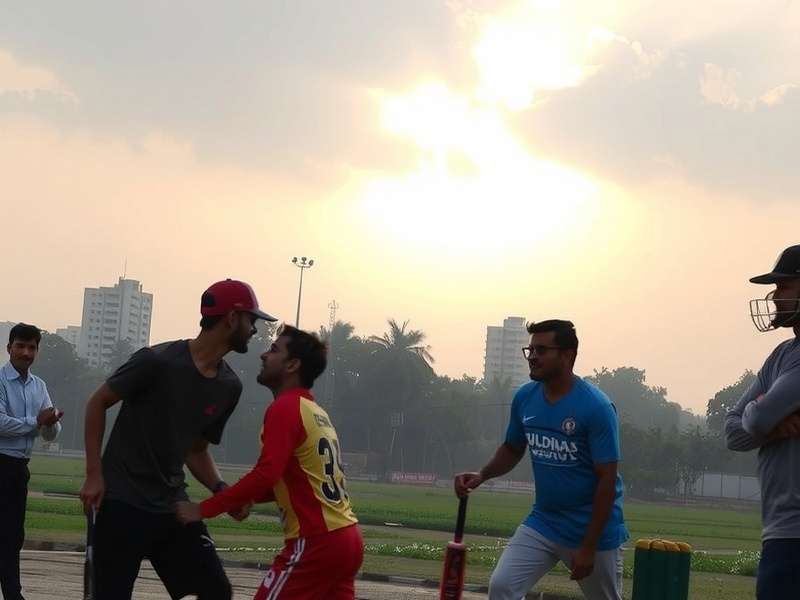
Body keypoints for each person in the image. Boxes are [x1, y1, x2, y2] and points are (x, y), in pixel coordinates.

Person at [79, 279, 276, 600]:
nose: (254, 329)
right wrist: (93, 474)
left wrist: (221, 490)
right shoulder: (156, 361)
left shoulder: (228, 386)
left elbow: (196, 449)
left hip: (173, 507)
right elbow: (97, 403)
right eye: (251, 319)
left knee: (215, 591)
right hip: (121, 503)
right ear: (231, 318)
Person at [176, 325, 362, 600]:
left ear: (292, 365)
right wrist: (249, 499)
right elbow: (292, 481)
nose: (264, 355)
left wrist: (202, 509)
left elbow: (266, 473)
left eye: (274, 350)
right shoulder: (315, 411)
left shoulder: (285, 408)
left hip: (315, 543)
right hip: (347, 539)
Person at [454, 320, 627, 600]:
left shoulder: (596, 407)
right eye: (530, 349)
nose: (532, 356)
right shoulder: (525, 397)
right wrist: (481, 475)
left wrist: (588, 546)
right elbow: (512, 448)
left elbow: (607, 478)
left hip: (593, 530)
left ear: (568, 355)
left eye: (542, 350)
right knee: (502, 587)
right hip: (545, 521)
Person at [725, 244, 800, 600]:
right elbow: (732, 431)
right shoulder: (783, 354)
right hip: (781, 530)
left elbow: (754, 419)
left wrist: (762, 415)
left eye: (784, 287)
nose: (774, 297)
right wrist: (770, 428)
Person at [0, 323, 63, 600]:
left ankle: (13, 592)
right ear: (9, 348)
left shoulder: (39, 386)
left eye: (32, 347)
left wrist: (50, 424)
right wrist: (36, 422)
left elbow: (49, 432)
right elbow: (1, 424)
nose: (26, 353)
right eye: (20, 346)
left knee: (13, 536)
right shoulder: (0, 381)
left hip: (18, 469)